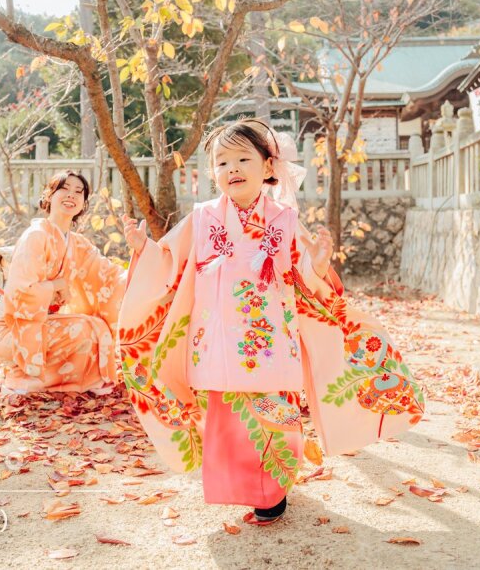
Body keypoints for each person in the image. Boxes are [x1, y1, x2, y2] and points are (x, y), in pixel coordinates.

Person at [118, 119, 424, 525]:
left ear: (267, 168)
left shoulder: (283, 218)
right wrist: (146, 250)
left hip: (271, 339)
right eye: (222, 162)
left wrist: (315, 265)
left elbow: (302, 279)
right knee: (227, 420)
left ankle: (272, 490)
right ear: (213, 173)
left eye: (243, 158)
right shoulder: (202, 217)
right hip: (219, 340)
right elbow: (170, 263)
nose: (233, 169)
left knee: (276, 417)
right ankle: (237, 486)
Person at [0, 170, 125, 394]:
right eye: (64, 189)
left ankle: (53, 380)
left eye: (79, 192)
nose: (71, 195)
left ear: (83, 204)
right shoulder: (36, 235)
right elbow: (21, 292)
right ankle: (22, 377)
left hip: (42, 322)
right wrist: (58, 286)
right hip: (14, 326)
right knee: (84, 328)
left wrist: (144, 270)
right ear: (49, 195)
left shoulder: (77, 243)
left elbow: (109, 276)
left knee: (96, 326)